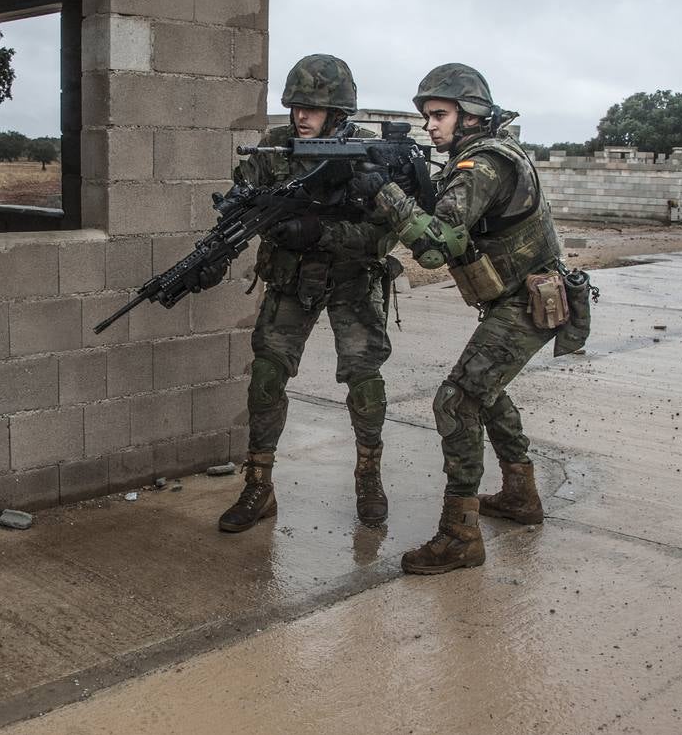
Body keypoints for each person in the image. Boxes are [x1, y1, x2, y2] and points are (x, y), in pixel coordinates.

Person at [349, 63, 577, 574]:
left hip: (526, 303)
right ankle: (520, 494)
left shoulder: (485, 165)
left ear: (471, 115)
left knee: (456, 402)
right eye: (428, 116)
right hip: (518, 298)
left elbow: (434, 247)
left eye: (439, 115)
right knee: (486, 393)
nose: (430, 126)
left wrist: (386, 193)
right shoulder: (479, 157)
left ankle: (459, 534)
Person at [215, 54, 399, 534]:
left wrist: (320, 234)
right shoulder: (276, 147)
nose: (301, 116)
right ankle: (258, 486)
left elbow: (385, 235)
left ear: (338, 113)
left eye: (312, 108)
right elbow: (245, 198)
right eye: (296, 105)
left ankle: (368, 478)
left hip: (352, 282)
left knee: (365, 382)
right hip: (293, 280)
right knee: (266, 377)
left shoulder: (366, 155)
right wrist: (229, 226)